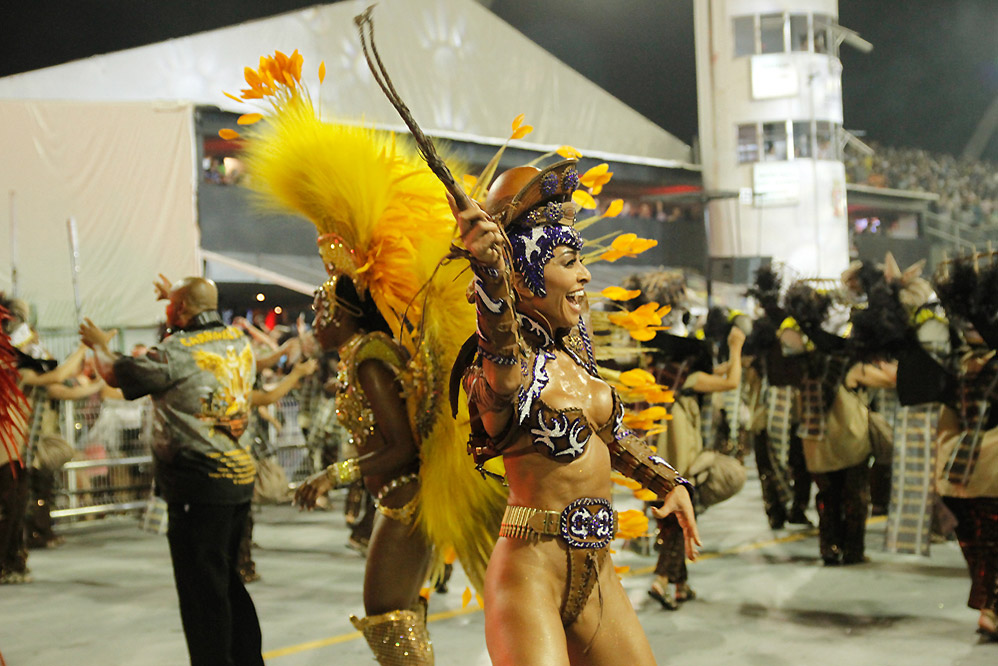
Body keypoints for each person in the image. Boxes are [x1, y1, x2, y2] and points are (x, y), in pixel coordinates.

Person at [452, 159, 700, 665]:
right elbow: (501, 350)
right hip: (530, 576)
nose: (585, 273)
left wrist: (667, 483)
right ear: (522, 274)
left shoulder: (575, 353)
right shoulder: (501, 369)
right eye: (567, 261)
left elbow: (609, 437)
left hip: (597, 571)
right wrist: (489, 272)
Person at [79, 276, 264, 666]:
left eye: (171, 306)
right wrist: (180, 299)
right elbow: (199, 303)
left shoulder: (176, 351)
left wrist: (99, 345)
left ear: (179, 310)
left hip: (199, 485)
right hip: (240, 484)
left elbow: (117, 374)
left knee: (202, 595)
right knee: (227, 583)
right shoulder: (237, 340)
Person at [295, 276, 438, 663]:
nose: (314, 323)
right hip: (395, 499)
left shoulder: (370, 362)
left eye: (318, 311)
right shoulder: (358, 358)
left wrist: (332, 475)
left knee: (386, 617)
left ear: (341, 314)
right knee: (401, 618)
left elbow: (401, 448)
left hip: (405, 498)